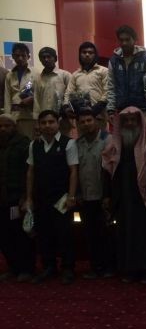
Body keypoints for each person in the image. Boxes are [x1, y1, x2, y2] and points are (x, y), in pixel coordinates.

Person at [102, 107, 146, 284]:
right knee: (125, 232)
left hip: (145, 196)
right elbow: (107, 171)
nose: (129, 124)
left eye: (133, 120)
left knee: (145, 234)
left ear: (140, 122)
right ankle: (129, 269)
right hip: (123, 196)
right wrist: (107, 195)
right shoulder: (114, 144)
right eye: (126, 121)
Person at [25, 110, 78, 285]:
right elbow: (31, 172)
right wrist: (29, 197)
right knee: (44, 233)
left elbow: (73, 171)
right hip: (41, 197)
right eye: (44, 123)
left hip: (61, 197)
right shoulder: (34, 145)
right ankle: (49, 266)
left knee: (64, 233)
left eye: (51, 122)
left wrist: (71, 196)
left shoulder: (69, 143)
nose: (47, 126)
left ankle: (68, 267)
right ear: (39, 125)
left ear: (57, 123)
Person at [76, 107, 115, 279]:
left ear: (96, 121)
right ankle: (95, 267)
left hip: (103, 196)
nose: (86, 124)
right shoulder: (77, 143)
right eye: (82, 122)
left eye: (89, 120)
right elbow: (75, 171)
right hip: (85, 196)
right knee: (90, 234)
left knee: (106, 233)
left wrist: (108, 195)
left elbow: (110, 171)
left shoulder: (108, 140)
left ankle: (110, 266)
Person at [0, 114, 35, 282]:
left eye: (7, 126)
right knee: (4, 235)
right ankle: (13, 267)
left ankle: (26, 268)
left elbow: (29, 172)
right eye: (0, 126)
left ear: (14, 127)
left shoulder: (23, 144)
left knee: (21, 235)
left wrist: (26, 197)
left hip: (17, 198)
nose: (3, 129)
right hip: (2, 198)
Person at [106, 25, 146, 120]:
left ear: (135, 40)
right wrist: (110, 110)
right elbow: (111, 87)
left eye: (127, 39)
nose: (124, 43)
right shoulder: (113, 62)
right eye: (121, 40)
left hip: (144, 111)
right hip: (122, 112)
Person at [63, 42, 108, 129]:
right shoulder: (75, 74)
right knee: (82, 138)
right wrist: (66, 107)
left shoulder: (104, 71)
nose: (87, 55)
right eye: (84, 52)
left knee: (101, 138)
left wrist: (95, 109)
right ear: (79, 55)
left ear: (95, 55)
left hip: (99, 116)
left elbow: (108, 91)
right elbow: (68, 93)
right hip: (81, 118)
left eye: (90, 52)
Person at [33, 47, 72, 135]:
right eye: (43, 57)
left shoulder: (65, 75)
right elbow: (36, 100)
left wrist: (66, 109)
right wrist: (36, 121)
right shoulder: (37, 78)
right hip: (45, 122)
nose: (46, 59)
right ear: (40, 60)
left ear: (55, 58)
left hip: (62, 120)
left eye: (49, 57)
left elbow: (71, 94)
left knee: (64, 142)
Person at [4, 43, 34, 138]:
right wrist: (7, 117)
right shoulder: (9, 75)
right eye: (17, 56)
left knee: (29, 142)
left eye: (23, 55)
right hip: (14, 117)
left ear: (28, 57)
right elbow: (7, 97)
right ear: (13, 56)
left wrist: (32, 98)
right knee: (15, 143)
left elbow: (40, 94)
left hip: (30, 116)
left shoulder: (36, 73)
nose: (20, 58)